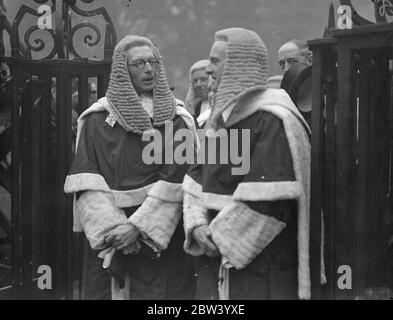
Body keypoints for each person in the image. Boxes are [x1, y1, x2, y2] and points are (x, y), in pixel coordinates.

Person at [182, 28, 314, 300]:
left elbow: (268, 203)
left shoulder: (273, 119)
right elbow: (196, 180)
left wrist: (217, 240)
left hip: (259, 265)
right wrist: (196, 225)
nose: (209, 68)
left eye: (216, 61)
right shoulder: (223, 121)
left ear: (239, 64)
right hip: (215, 258)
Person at [64, 35, 198, 300]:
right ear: (123, 72)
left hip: (161, 238)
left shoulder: (178, 120)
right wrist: (114, 231)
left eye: (152, 62)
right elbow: (87, 179)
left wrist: (138, 229)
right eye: (139, 63)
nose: (149, 69)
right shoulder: (95, 119)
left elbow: (177, 179)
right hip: (109, 239)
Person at [184, 59, 211, 127]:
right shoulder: (195, 108)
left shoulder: (222, 106)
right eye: (195, 81)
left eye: (203, 79)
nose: (198, 84)